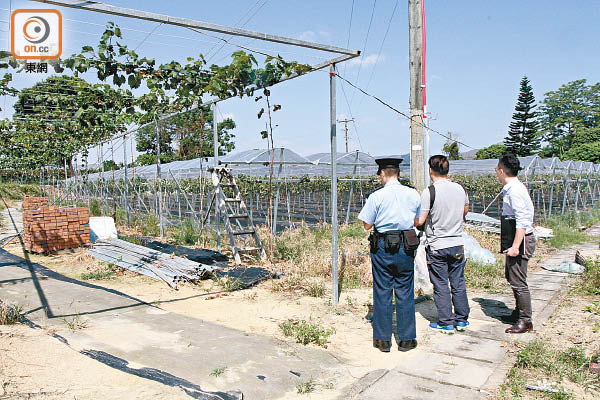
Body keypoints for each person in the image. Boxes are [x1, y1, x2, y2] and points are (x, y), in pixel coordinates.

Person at [358, 157, 421, 352]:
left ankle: (383, 340)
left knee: (383, 290)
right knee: (405, 289)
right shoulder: (413, 194)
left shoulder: (377, 196)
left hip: (383, 246)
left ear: (383, 174)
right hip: (405, 246)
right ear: (399, 174)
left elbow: (366, 225)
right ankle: (407, 339)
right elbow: (417, 220)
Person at [415, 155, 470, 334]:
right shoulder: (460, 189)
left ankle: (446, 322)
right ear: (447, 171)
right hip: (457, 243)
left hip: (437, 245)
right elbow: (465, 211)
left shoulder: (429, 192)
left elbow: (421, 220)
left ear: (431, 171)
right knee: (458, 283)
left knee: (440, 285)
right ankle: (462, 320)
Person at [495, 154, 536, 334]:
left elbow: (522, 220)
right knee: (511, 277)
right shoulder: (512, 188)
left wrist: (516, 246)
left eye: (497, 169)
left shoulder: (515, 190)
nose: (496, 173)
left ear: (502, 171)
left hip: (521, 239)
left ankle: (525, 320)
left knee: (519, 281)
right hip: (514, 238)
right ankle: (518, 313)